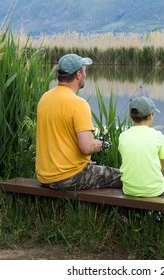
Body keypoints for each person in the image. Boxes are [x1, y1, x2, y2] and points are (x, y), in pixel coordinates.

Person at [36, 53, 122, 190]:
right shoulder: (78, 104)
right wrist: (97, 144)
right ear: (78, 75)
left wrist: (83, 164)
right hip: (67, 178)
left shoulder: (45, 98)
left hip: (44, 177)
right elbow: (86, 147)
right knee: (123, 177)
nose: (85, 74)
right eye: (85, 71)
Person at [118, 96, 164, 197]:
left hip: (129, 190)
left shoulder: (123, 136)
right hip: (155, 192)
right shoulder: (157, 136)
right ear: (151, 116)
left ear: (130, 117)